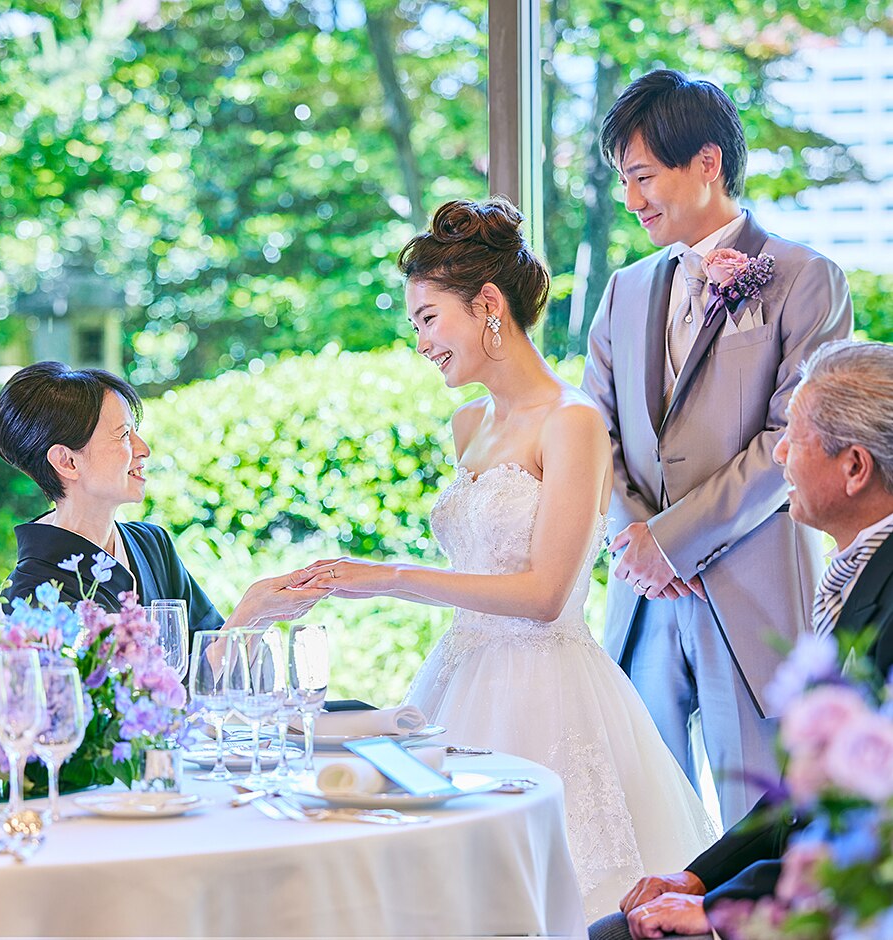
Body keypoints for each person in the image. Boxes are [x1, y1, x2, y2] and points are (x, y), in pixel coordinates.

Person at [296, 198, 717, 920]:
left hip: (548, 693)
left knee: (551, 899)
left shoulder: (573, 421)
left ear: (488, 305)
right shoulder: (468, 424)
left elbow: (546, 594)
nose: (421, 342)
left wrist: (390, 578)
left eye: (428, 319)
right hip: (459, 680)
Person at [580, 69, 853, 828]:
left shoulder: (807, 279)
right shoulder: (624, 289)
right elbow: (594, 430)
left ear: (707, 162)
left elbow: (793, 438)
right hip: (644, 600)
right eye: (624, 181)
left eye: (642, 177)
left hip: (753, 595)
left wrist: (673, 542)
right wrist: (637, 541)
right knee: (649, 829)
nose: (630, 200)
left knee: (756, 832)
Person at [588, 338, 893, 940]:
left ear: (855, 468)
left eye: (794, 438)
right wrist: (697, 878)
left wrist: (722, 910)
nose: (777, 452)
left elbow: (877, 830)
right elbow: (804, 795)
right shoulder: (859, 575)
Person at [0, 361, 328, 632]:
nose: (143, 449)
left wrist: (258, 614)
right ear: (67, 461)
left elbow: (210, 665)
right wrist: (250, 612)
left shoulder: (152, 544)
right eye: (124, 435)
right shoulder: (30, 596)